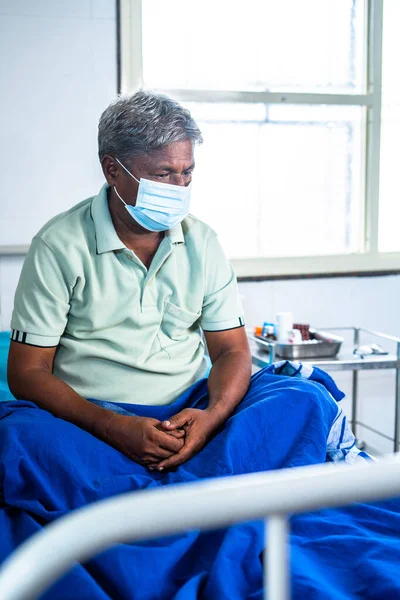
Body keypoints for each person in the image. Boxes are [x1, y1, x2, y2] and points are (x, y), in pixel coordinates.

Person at [7, 91, 252, 472]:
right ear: (112, 170)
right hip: (93, 417)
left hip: (190, 408)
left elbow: (232, 352)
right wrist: (112, 427)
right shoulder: (59, 245)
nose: (179, 186)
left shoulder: (203, 243)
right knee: (16, 438)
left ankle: (171, 468)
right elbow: (26, 373)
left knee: (301, 396)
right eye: (162, 174)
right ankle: (193, 478)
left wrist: (211, 418)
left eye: (187, 172)